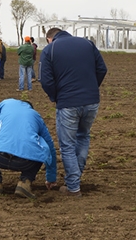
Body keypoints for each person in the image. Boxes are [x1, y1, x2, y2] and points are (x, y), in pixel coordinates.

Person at [40, 27, 107, 196]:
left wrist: (55, 96)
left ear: (50, 38)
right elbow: (102, 69)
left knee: (67, 145)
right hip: (92, 101)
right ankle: (76, 178)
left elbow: (46, 80)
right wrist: (92, 88)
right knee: (83, 136)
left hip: (67, 102)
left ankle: (73, 187)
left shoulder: (50, 49)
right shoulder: (87, 44)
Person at [0, 99, 57, 199]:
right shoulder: (36, 116)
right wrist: (51, 176)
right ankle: (25, 183)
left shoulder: (5, 103)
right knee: (40, 147)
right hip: (25, 161)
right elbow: (50, 146)